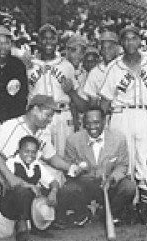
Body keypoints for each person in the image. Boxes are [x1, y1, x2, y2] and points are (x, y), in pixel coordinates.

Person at [0, 95, 82, 240]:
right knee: (3, 232)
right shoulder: (12, 127)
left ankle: (40, 221)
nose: (50, 120)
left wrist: (71, 167)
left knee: (59, 180)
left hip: (29, 180)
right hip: (5, 183)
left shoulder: (42, 131)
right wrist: (11, 177)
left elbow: (51, 157)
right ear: (34, 109)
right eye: (48, 115)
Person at [99, 25, 147, 219]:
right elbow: (105, 101)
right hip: (121, 113)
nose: (130, 42)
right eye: (126, 39)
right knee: (124, 161)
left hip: (145, 113)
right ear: (121, 43)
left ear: (140, 40)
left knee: (144, 159)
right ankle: (125, 206)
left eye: (134, 38)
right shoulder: (114, 66)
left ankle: (143, 206)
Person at [59, 106, 136, 226]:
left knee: (128, 187)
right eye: (88, 123)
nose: (92, 127)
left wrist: (112, 179)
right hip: (85, 185)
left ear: (104, 121)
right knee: (68, 189)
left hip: (109, 184)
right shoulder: (73, 140)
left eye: (96, 122)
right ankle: (82, 214)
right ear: (83, 123)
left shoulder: (119, 138)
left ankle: (111, 214)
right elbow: (68, 169)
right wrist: (76, 171)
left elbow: (122, 165)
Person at [27, 24, 87, 156]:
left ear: (57, 41)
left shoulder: (66, 66)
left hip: (62, 115)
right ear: (38, 41)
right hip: (39, 116)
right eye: (44, 38)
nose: (48, 42)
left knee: (65, 158)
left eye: (52, 38)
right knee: (40, 157)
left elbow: (79, 103)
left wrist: (71, 91)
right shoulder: (29, 66)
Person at [0, 135, 59, 241]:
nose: (30, 155)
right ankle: (21, 229)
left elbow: (53, 181)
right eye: (26, 151)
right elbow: (10, 183)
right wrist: (29, 185)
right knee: (24, 192)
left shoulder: (37, 165)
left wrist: (53, 192)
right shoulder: (12, 163)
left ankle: (39, 224)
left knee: (48, 191)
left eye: (33, 152)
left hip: (29, 203)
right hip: (10, 204)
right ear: (19, 150)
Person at [83, 30, 119, 104]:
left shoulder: (125, 67)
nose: (106, 51)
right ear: (100, 50)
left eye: (110, 48)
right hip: (103, 111)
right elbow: (92, 101)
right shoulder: (94, 72)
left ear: (116, 49)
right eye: (104, 48)